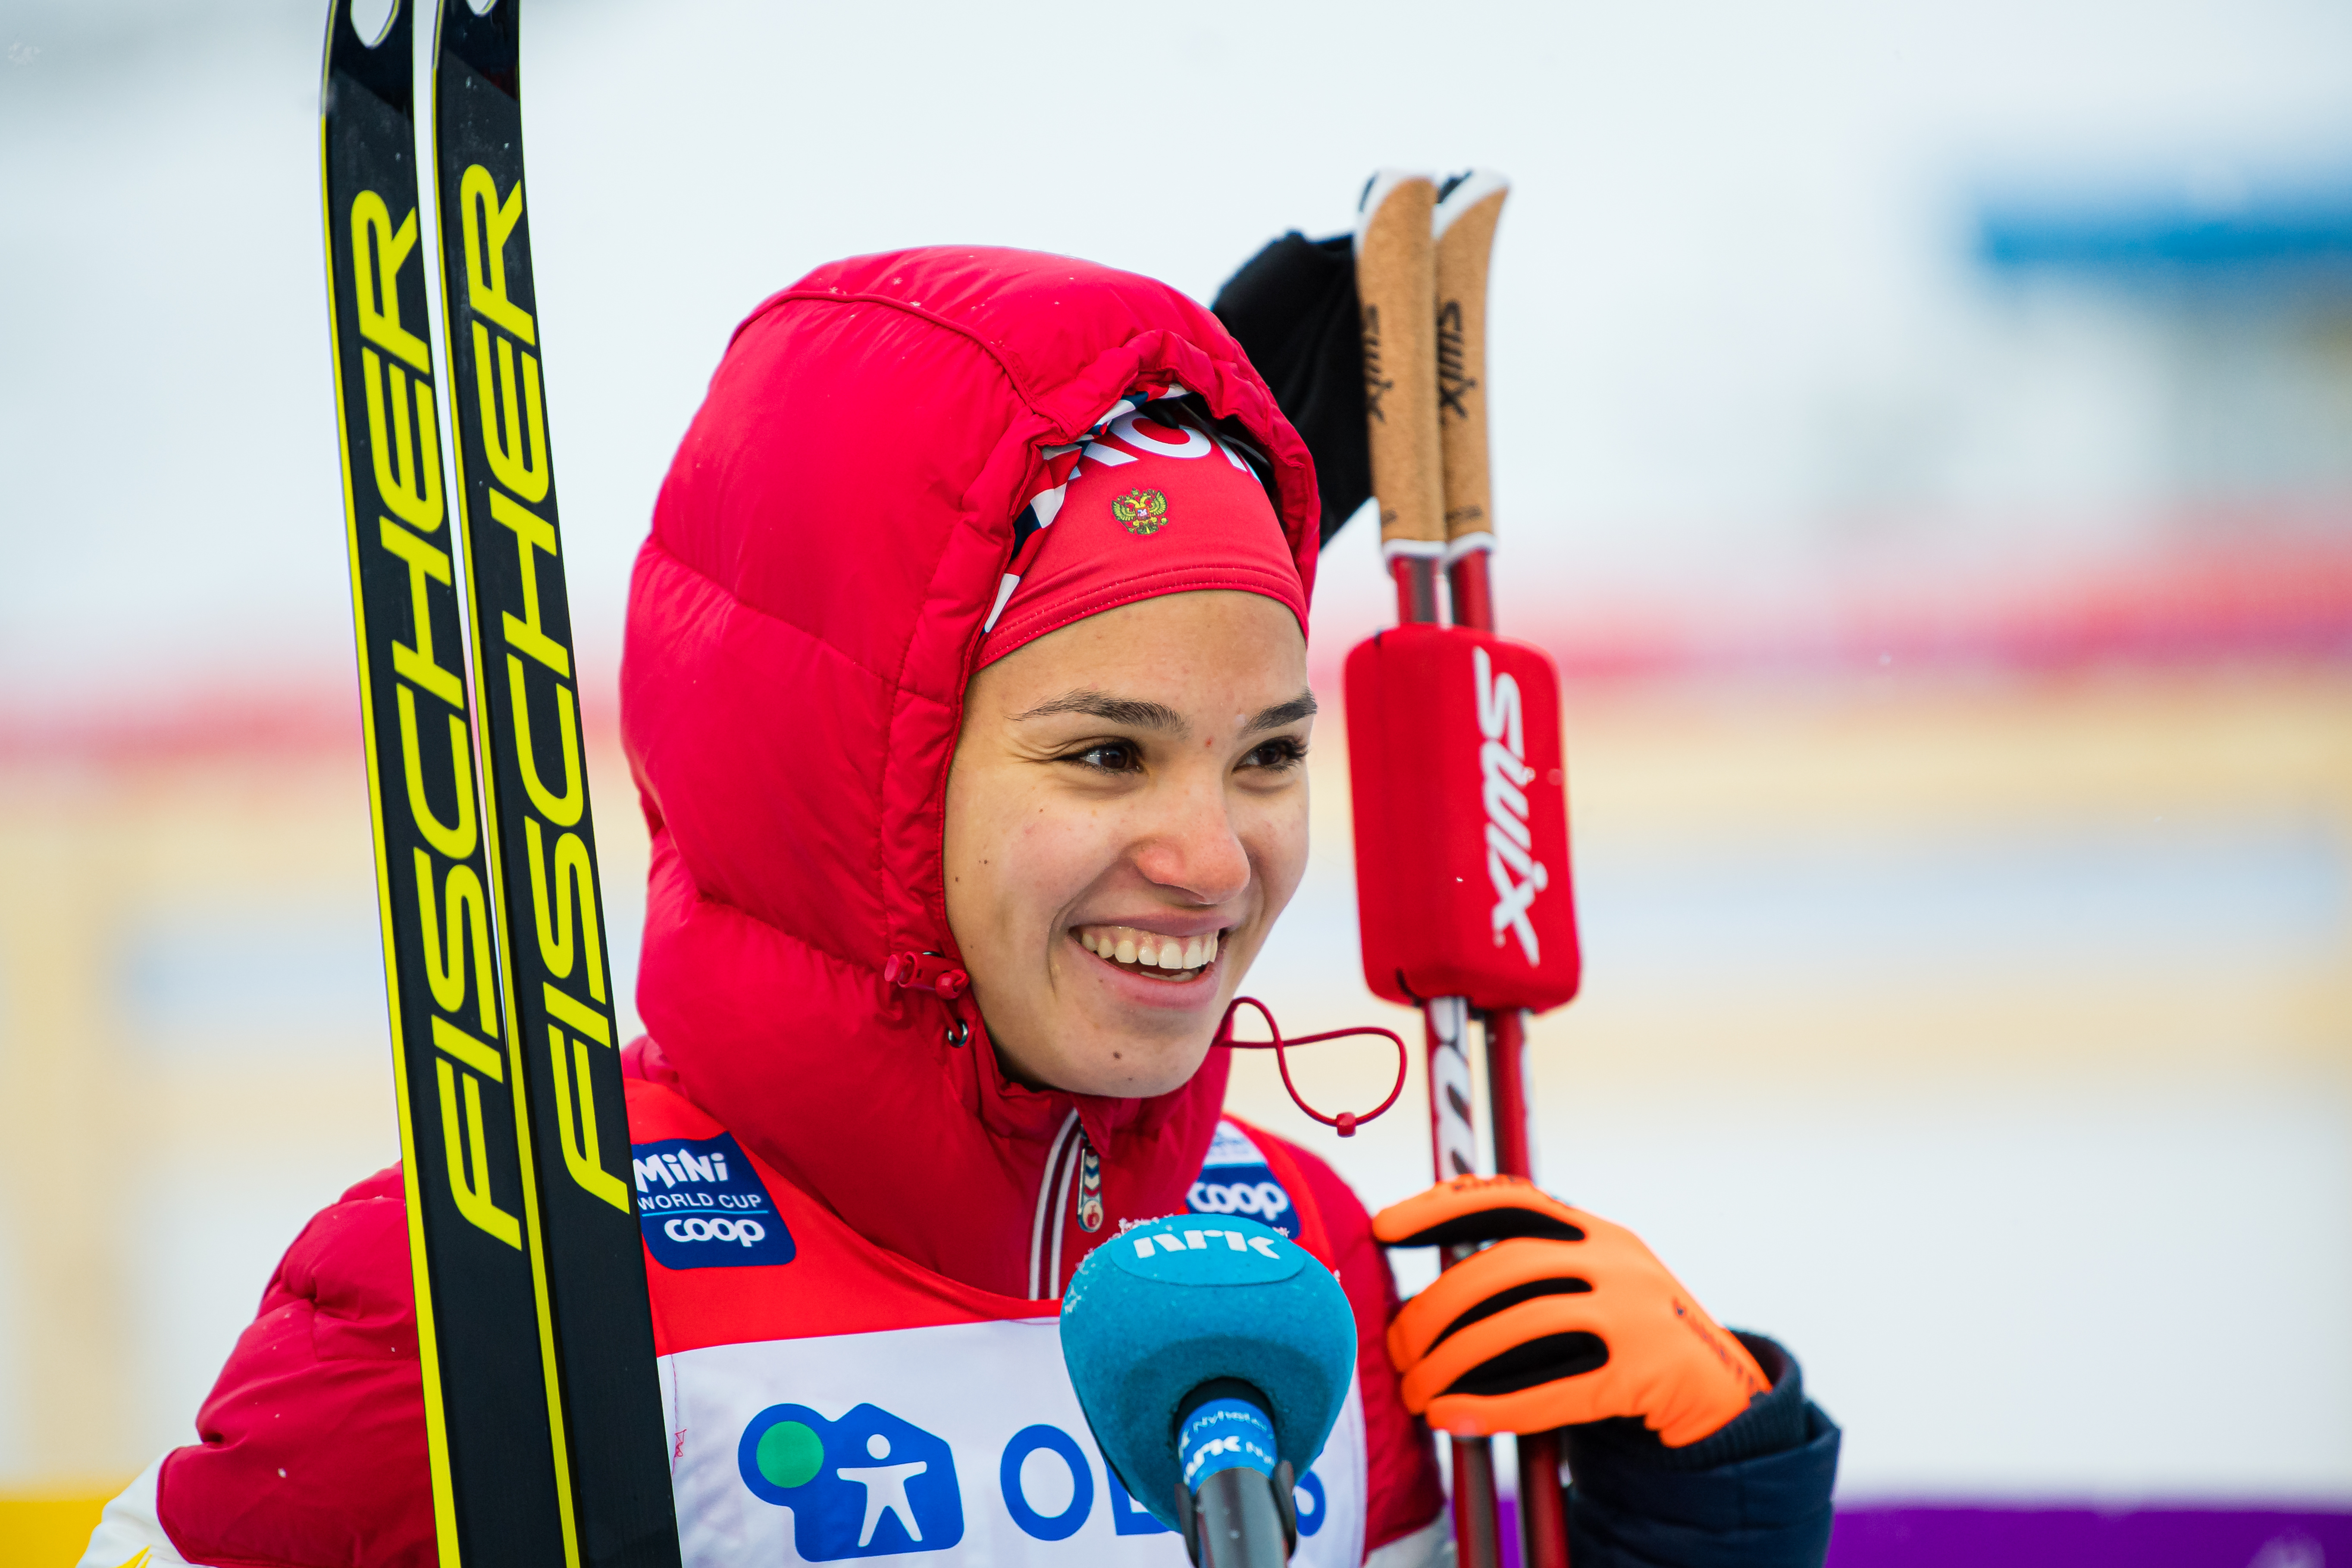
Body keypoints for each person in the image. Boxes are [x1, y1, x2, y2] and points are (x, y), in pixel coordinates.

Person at [80, 244, 1837, 1568]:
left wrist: (1691, 1505)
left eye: (1263, 755)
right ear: (857, 782)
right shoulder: (494, 1293)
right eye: (1102, 755)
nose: (1215, 859)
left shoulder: (1302, 1264)